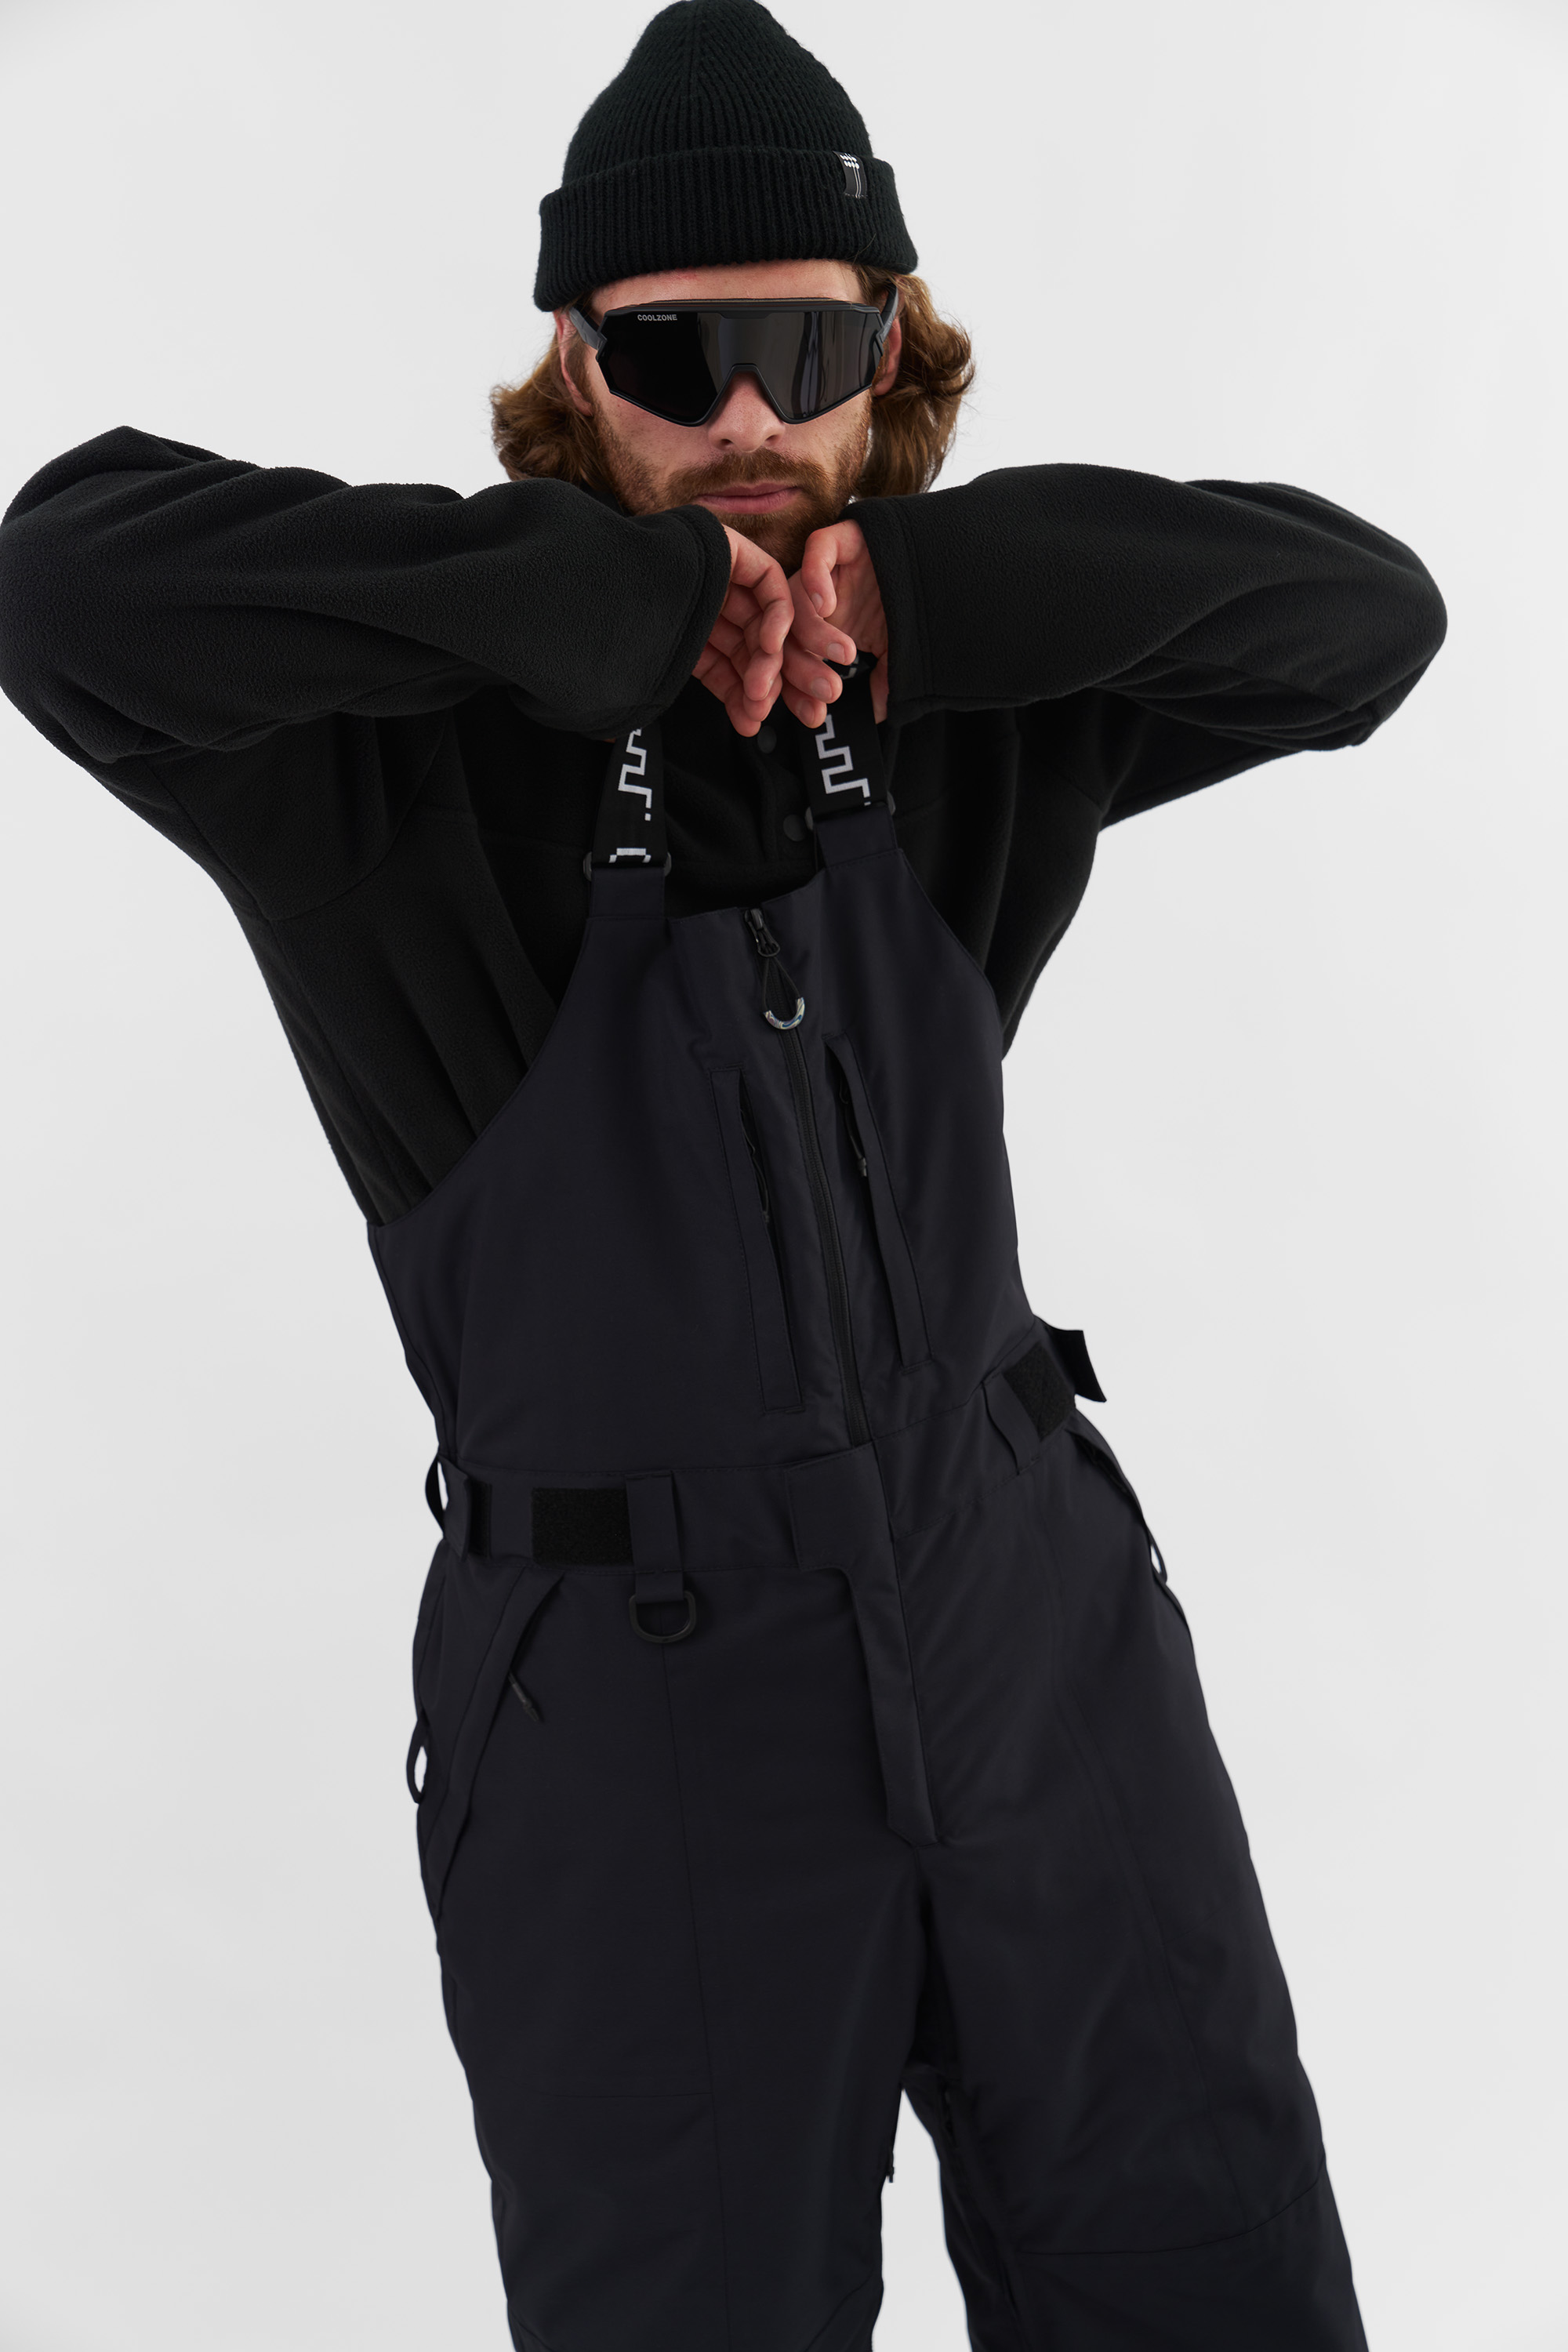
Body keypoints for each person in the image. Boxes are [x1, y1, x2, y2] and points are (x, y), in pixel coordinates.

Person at [0, 2, 1446, 2345]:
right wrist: (584, 607)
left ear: (895, 359)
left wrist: (929, 600)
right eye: (680, 358)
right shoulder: (381, 765)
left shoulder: (975, 707)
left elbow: (1367, 623)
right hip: (635, 1722)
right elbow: (60, 583)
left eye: (810, 347)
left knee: (1217, 2285)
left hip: (1037, 1647)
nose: (753, 418)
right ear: (576, 371)